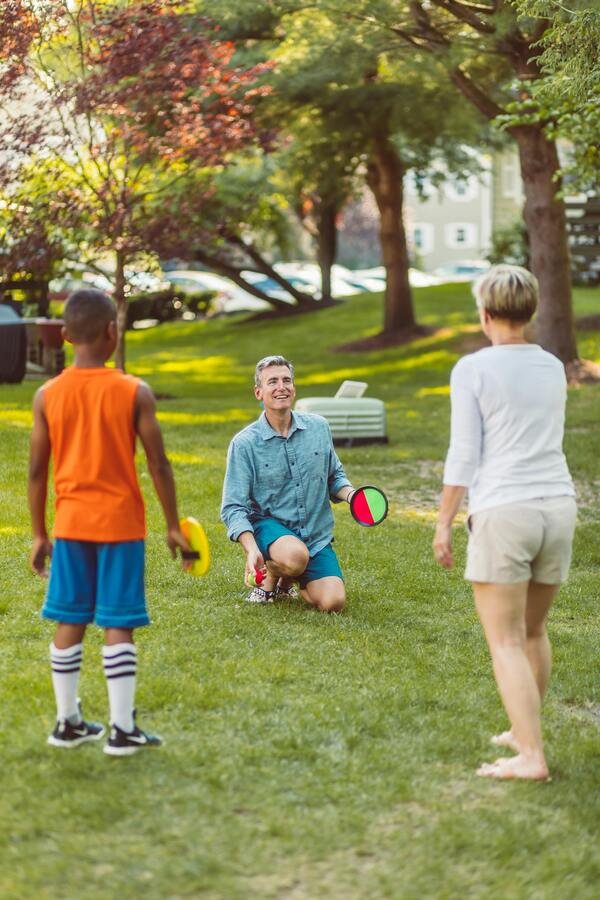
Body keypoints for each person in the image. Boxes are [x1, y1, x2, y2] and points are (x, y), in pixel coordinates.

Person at [28, 288, 191, 755]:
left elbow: (37, 471)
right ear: (113, 334)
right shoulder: (133, 390)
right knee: (118, 621)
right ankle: (121, 729)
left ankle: (67, 722)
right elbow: (159, 463)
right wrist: (173, 524)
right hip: (120, 527)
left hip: (71, 525)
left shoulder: (46, 395)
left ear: (63, 337)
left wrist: (41, 533)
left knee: (69, 618)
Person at [433, 264, 576, 782]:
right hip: (558, 507)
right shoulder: (552, 366)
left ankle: (531, 757)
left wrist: (444, 522)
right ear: (530, 311)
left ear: (485, 313)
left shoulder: (474, 369)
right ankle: (523, 732)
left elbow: (464, 453)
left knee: (507, 641)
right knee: (534, 630)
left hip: (506, 512)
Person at [221, 355, 355, 612]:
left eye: (286, 380)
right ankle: (272, 578)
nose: (281, 387)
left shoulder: (319, 428)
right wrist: (251, 550)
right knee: (295, 556)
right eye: (272, 382)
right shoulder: (245, 443)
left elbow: (334, 477)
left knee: (333, 603)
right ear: (259, 392)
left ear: (293, 387)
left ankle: (287, 581)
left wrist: (353, 496)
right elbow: (233, 507)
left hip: (314, 536)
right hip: (269, 527)